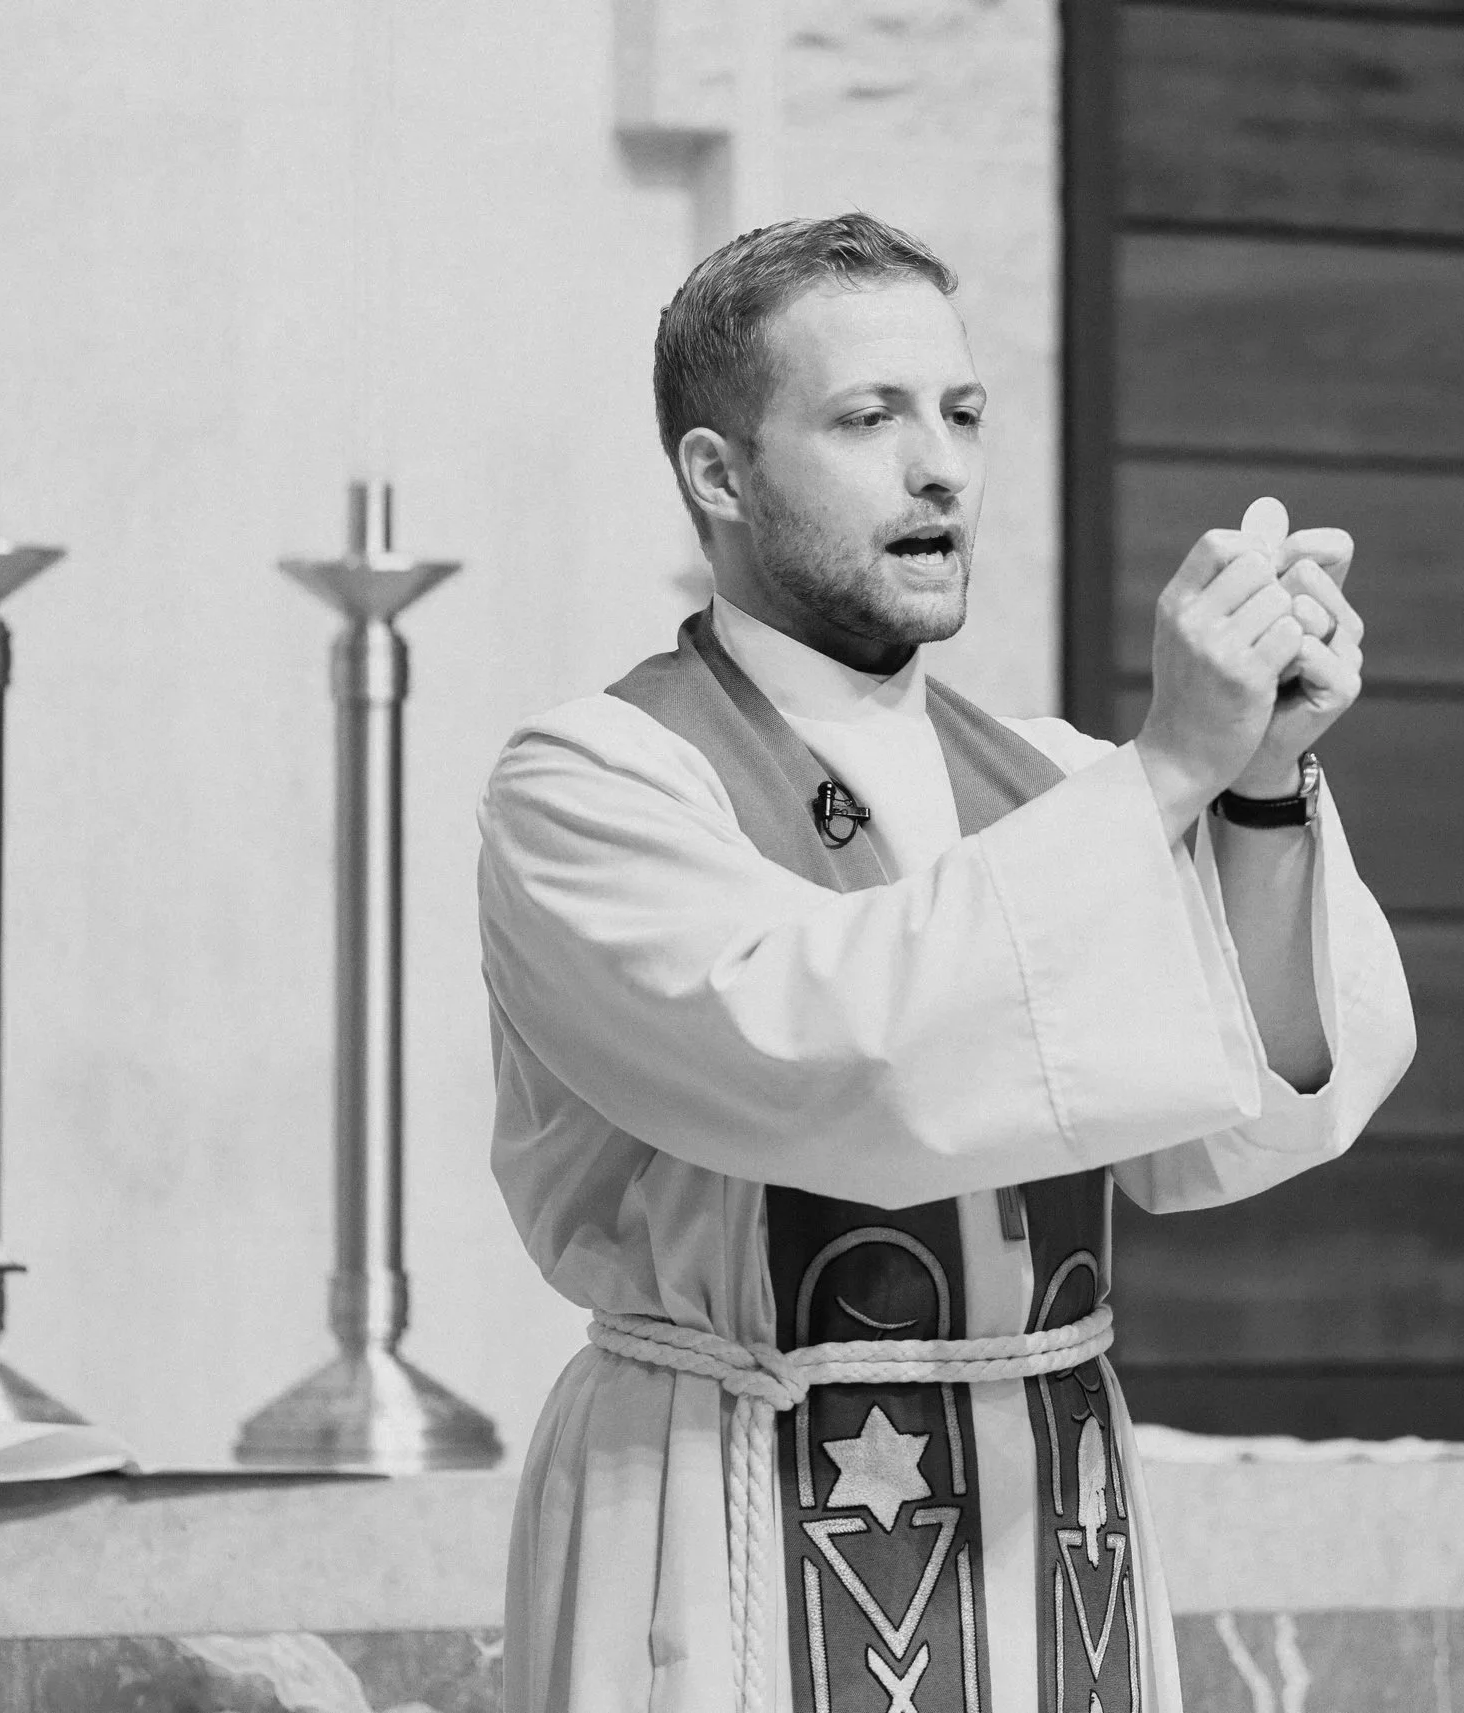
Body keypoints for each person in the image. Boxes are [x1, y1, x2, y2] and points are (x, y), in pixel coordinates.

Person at [478, 213, 1415, 1713]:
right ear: (717, 476)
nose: (943, 468)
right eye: (869, 418)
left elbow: (1253, 1124)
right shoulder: (598, 782)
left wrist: (1256, 782)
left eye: (963, 414)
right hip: (723, 1506)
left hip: (1049, 1519)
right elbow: (837, 1070)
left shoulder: (1055, 782)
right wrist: (1169, 767)